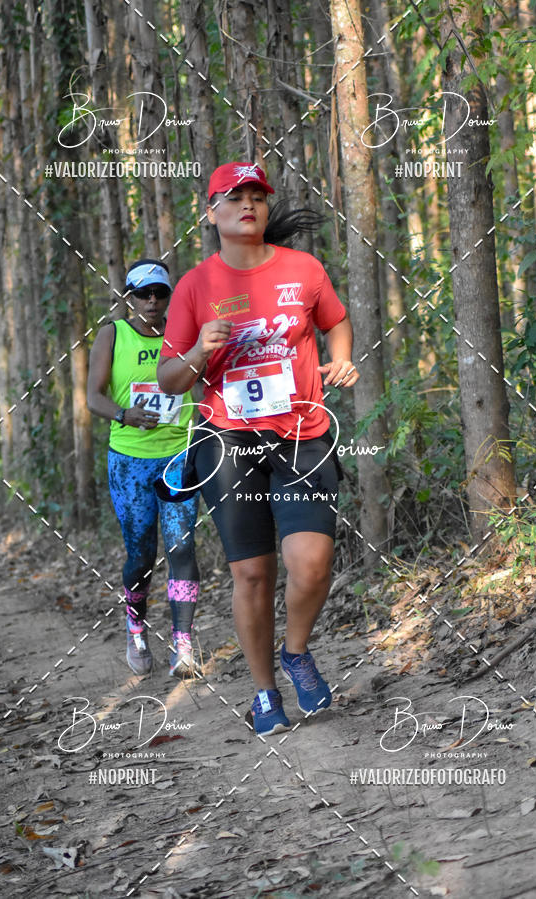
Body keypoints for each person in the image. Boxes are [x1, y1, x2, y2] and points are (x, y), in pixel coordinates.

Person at [157, 163, 358, 734]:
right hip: (227, 438)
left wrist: (342, 358)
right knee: (251, 574)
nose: (248, 204)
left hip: (302, 434)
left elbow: (336, 322)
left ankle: (296, 652)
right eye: (234, 196)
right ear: (211, 212)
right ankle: (265, 693)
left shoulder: (303, 269)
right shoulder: (195, 286)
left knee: (312, 564)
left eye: (257, 196)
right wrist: (199, 350)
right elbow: (170, 379)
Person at [87, 259, 200, 678]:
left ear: (169, 295)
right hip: (130, 461)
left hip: (177, 457)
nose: (152, 301)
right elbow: (93, 397)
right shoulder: (112, 334)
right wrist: (124, 414)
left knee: (182, 547)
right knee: (141, 555)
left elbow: (204, 381)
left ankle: (183, 643)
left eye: (159, 293)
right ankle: (136, 627)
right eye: (143, 294)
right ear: (129, 297)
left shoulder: (184, 332)